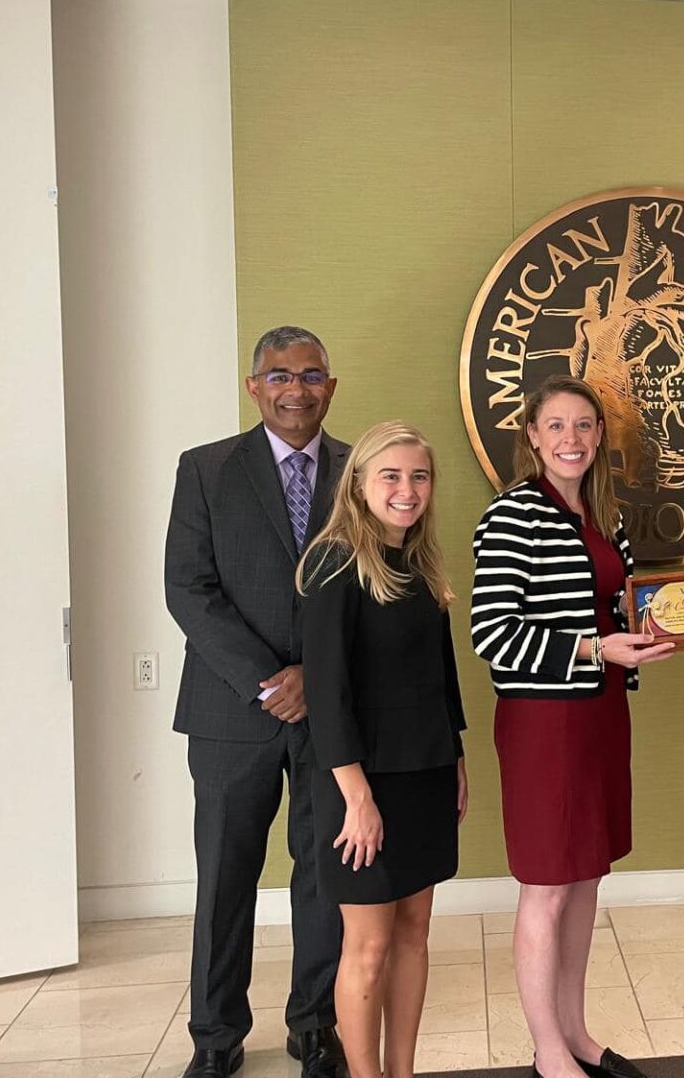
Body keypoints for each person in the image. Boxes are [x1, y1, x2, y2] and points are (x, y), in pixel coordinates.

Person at [470, 375, 673, 1078]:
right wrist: (594, 649)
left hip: (601, 715)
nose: (571, 439)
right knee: (548, 886)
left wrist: (656, 630)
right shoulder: (513, 515)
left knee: (587, 877)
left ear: (599, 434)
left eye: (584, 425)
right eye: (555, 425)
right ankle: (548, 1051)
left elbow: (616, 610)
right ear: (532, 436)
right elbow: (492, 634)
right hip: (545, 723)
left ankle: (577, 1032)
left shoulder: (603, 514)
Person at [164, 325, 347, 1078]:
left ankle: (316, 1025)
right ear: (254, 387)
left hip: (333, 710)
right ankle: (215, 1034)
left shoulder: (361, 470)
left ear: (330, 386)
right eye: (279, 376)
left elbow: (375, 588)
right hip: (230, 710)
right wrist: (271, 680)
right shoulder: (206, 469)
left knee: (326, 873)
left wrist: (316, 676)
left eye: (310, 375)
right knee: (225, 875)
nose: (295, 389)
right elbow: (189, 589)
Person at [299, 420, 469, 1078]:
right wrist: (357, 799)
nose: (407, 489)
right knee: (367, 947)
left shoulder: (420, 564)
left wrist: (456, 758)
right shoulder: (334, 563)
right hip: (361, 785)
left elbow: (441, 676)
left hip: (426, 772)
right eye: (391, 476)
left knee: (413, 935)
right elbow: (327, 694)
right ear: (359, 485)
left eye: (419, 476)